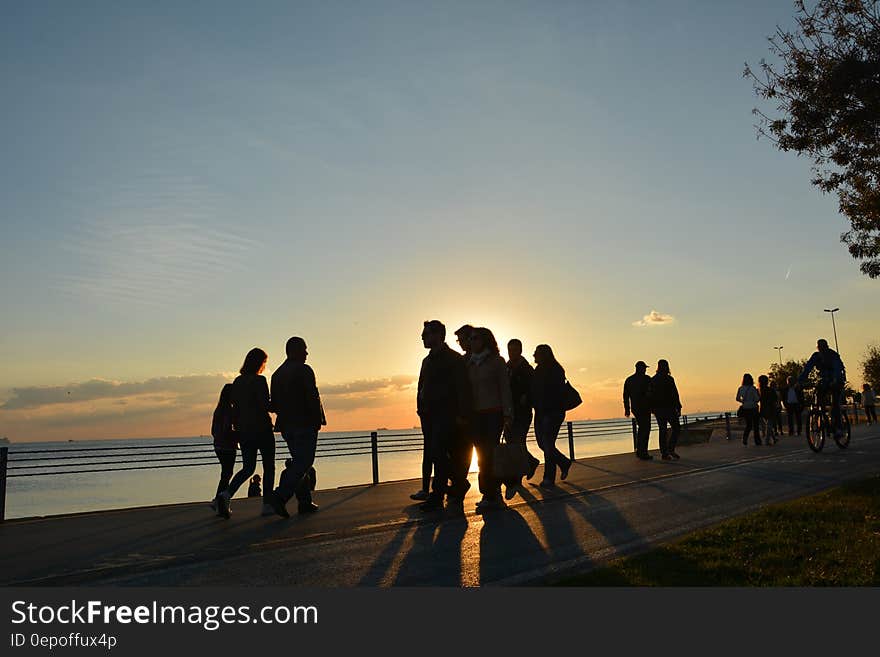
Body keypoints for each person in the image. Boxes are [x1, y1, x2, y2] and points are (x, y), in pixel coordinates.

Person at [415, 320, 472, 512]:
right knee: (435, 455)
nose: (422, 337)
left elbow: (462, 388)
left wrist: (462, 415)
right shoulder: (427, 360)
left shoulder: (454, 359)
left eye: (426, 334)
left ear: (438, 335)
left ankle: (444, 490)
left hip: (447, 415)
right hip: (429, 416)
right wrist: (420, 408)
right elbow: (421, 387)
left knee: (439, 453)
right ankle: (442, 492)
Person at [266, 337, 326, 518]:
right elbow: (312, 397)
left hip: (286, 425)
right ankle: (281, 495)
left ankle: (304, 501)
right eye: (304, 350)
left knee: (301, 462)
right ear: (294, 351)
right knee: (304, 462)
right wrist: (317, 420)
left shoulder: (276, 375)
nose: (307, 353)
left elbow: (274, 405)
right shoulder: (304, 370)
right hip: (305, 423)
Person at [215, 348, 276, 519]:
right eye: (264, 362)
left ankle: (226, 495)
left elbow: (235, 406)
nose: (265, 366)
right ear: (260, 363)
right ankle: (267, 504)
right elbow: (265, 405)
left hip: (245, 432)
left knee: (248, 468)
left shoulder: (238, 382)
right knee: (268, 467)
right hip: (262, 429)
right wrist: (279, 405)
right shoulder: (260, 380)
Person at [467, 327, 514, 512]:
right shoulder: (469, 364)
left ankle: (492, 494)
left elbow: (505, 388)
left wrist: (508, 413)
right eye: (470, 338)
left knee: (490, 455)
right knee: (481, 456)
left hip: (494, 413)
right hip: (476, 415)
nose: (472, 341)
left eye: (475, 338)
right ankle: (490, 493)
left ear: (485, 340)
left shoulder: (497, 362)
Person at [504, 338, 541, 498]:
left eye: (514, 350)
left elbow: (534, 389)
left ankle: (516, 480)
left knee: (517, 443)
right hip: (509, 412)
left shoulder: (527, 369)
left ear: (520, 350)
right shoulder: (506, 367)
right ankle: (531, 462)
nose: (512, 353)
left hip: (523, 413)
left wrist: (526, 396)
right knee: (513, 443)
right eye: (510, 350)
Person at [532, 344, 572, 488]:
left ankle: (549, 477)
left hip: (552, 412)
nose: (533, 355)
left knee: (548, 444)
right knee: (543, 443)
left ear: (543, 354)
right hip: (540, 411)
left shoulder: (555, 370)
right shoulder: (538, 370)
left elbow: (555, 392)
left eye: (536, 353)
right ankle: (563, 462)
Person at [798, 339, 846, 438]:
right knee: (818, 398)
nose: (821, 349)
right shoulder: (816, 356)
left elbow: (837, 368)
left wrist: (835, 379)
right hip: (824, 381)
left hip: (836, 380)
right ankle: (819, 416)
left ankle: (838, 427)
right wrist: (800, 381)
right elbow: (807, 368)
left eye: (823, 347)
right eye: (820, 347)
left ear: (827, 346)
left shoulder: (833, 355)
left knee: (835, 403)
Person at [210, 383, 237, 511]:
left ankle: (218, 499)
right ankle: (219, 500)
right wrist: (238, 436)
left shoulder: (218, 410)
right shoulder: (229, 410)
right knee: (227, 474)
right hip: (228, 446)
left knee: (225, 474)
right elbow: (227, 429)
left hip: (218, 446)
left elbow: (213, 431)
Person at [651, 359, 683, 460]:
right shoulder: (669, 379)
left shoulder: (654, 379)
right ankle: (670, 449)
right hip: (668, 408)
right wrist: (678, 406)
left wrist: (652, 408)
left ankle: (665, 452)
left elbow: (650, 395)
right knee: (676, 428)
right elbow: (675, 394)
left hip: (659, 409)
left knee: (663, 430)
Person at [623, 361, 653, 460]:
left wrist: (627, 409)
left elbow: (625, 396)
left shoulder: (629, 380)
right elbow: (652, 393)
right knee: (646, 428)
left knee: (642, 428)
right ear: (640, 368)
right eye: (644, 368)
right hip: (645, 407)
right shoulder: (647, 379)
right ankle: (643, 451)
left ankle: (640, 450)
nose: (645, 370)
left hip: (635, 408)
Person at [736, 373, 761, 446]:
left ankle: (745, 438)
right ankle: (757, 441)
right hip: (753, 408)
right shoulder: (752, 388)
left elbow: (737, 398)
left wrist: (743, 401)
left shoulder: (740, 388)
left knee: (749, 425)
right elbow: (757, 399)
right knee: (756, 425)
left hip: (745, 408)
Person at [758, 375, 779, 444]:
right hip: (770, 408)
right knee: (769, 425)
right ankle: (767, 440)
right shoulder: (770, 390)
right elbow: (775, 399)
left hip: (762, 409)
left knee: (768, 424)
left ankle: (774, 439)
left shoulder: (759, 390)